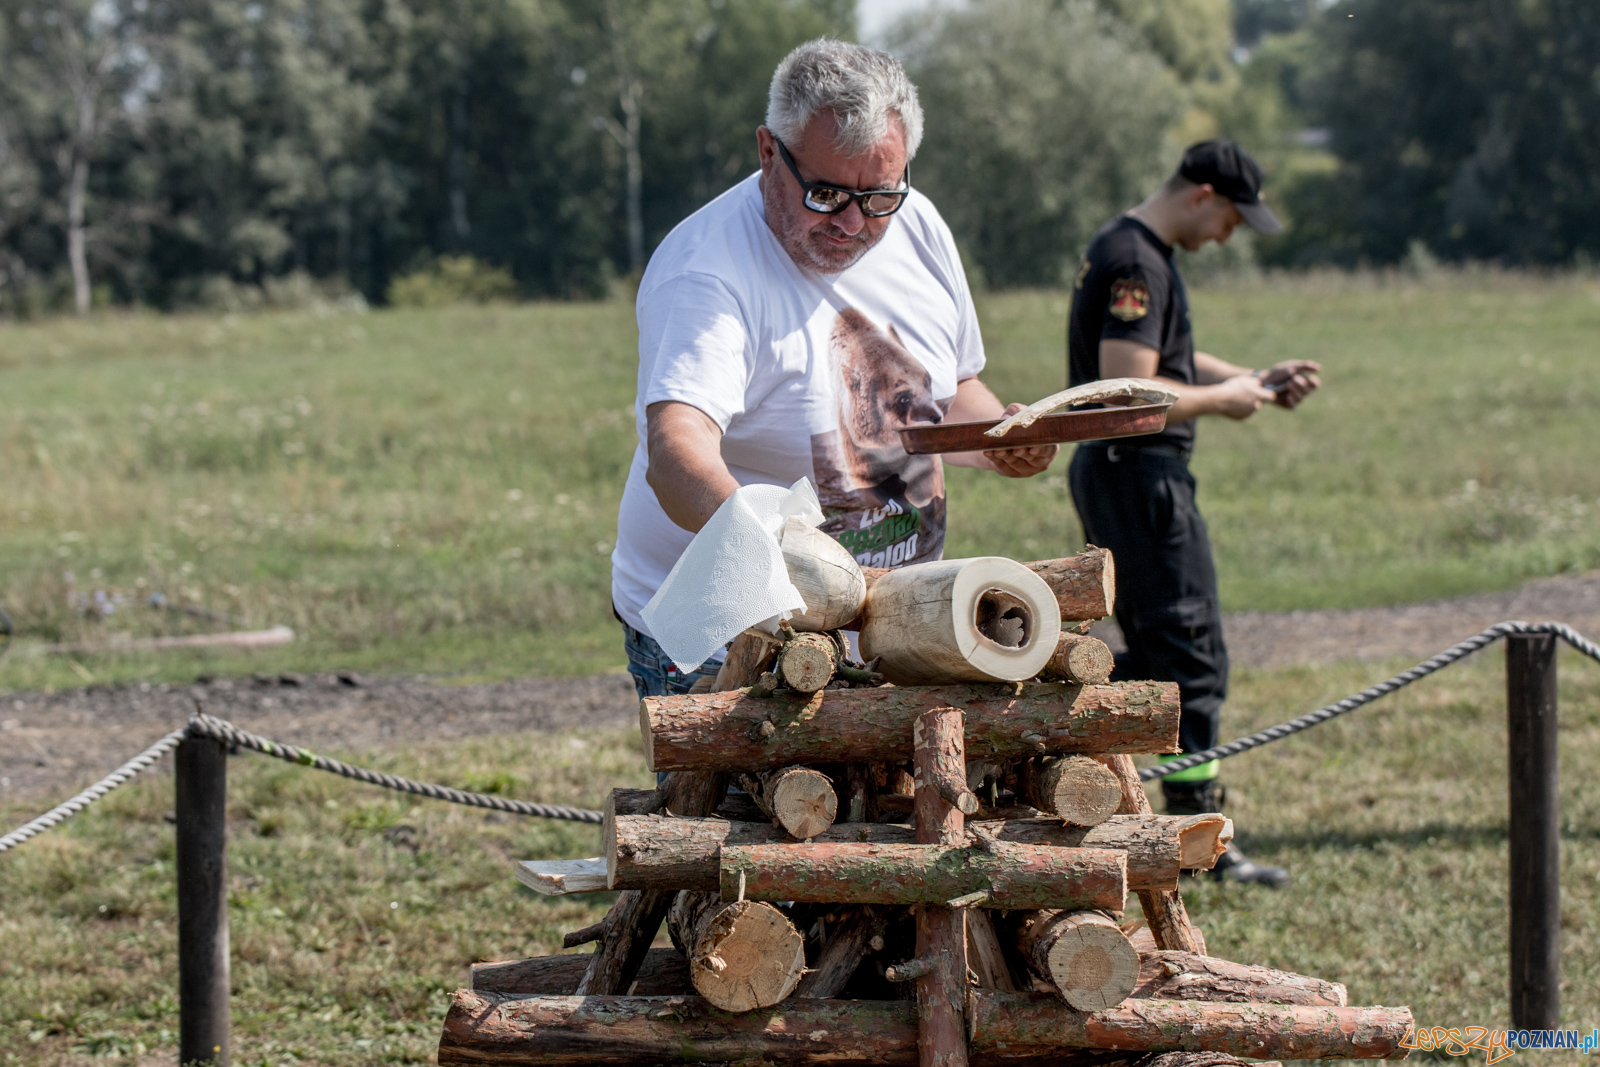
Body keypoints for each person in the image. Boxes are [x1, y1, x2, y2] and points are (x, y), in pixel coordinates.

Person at [612, 39, 1056, 702]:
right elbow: (676, 453)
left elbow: (947, 387)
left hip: (892, 622)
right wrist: (779, 558)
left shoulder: (919, 226)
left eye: (878, 196)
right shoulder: (707, 274)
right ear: (768, 153)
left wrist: (1000, 439)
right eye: (825, 193)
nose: (852, 222)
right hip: (731, 632)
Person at [1066, 140, 1320, 888]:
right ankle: (1193, 837)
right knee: (1191, 660)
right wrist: (1226, 403)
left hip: (1129, 478)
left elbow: (1163, 362)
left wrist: (1250, 378)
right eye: (1234, 219)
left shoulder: (1132, 246)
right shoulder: (1138, 263)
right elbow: (1127, 387)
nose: (1230, 236)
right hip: (1139, 476)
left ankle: (1077, 747)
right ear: (1204, 194)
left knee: (1161, 654)